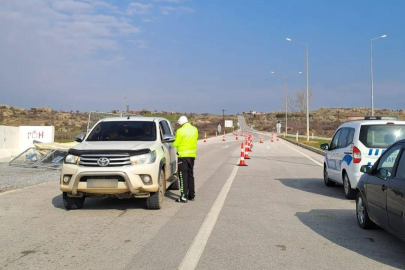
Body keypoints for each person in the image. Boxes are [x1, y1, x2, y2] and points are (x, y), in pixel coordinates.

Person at [173, 116, 198, 203]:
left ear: (180, 123)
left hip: (183, 156)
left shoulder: (180, 131)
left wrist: (172, 142)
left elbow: (176, 143)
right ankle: (191, 195)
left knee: (182, 176)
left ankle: (183, 196)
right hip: (192, 155)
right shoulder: (194, 129)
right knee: (190, 175)